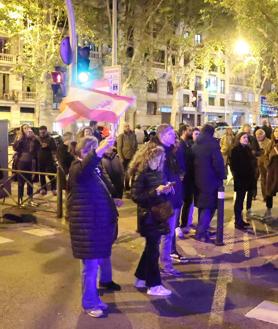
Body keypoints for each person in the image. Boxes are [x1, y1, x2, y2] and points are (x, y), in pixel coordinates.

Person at [68, 135, 121, 318]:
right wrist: (100, 149)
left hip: (94, 225)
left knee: (95, 265)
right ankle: (89, 303)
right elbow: (86, 167)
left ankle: (94, 299)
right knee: (90, 268)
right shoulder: (77, 168)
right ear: (86, 151)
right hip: (86, 226)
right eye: (95, 148)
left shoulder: (93, 168)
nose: (99, 151)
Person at [130, 146, 173, 296]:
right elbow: (135, 196)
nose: (158, 161)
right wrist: (156, 191)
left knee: (151, 248)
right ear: (148, 158)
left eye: (160, 158)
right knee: (153, 250)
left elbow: (159, 191)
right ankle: (154, 285)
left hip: (158, 214)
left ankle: (140, 277)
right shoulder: (142, 173)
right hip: (147, 216)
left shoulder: (158, 172)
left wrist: (166, 190)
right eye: (156, 158)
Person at [150, 124, 185, 275]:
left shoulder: (171, 151)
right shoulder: (158, 152)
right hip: (165, 199)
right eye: (171, 134)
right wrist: (165, 187)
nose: (174, 137)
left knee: (168, 233)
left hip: (173, 196)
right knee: (164, 234)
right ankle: (164, 265)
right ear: (162, 136)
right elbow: (155, 176)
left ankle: (164, 263)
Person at [192, 124, 226, 242]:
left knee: (202, 206)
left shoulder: (195, 144)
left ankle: (202, 230)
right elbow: (218, 163)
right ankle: (201, 233)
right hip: (211, 180)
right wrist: (222, 175)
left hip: (198, 180)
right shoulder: (212, 145)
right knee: (209, 207)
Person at [230, 132, 257, 230]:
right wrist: (237, 175)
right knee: (239, 201)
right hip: (240, 179)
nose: (246, 139)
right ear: (239, 139)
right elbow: (233, 165)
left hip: (248, 179)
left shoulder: (248, 149)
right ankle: (238, 221)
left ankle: (240, 220)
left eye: (247, 137)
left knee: (242, 200)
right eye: (244, 137)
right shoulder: (235, 150)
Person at [13, 124, 40, 205]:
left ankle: (30, 200)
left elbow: (39, 148)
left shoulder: (33, 138)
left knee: (30, 181)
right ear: (22, 130)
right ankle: (20, 200)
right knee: (21, 182)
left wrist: (34, 138)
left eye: (28, 127)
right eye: (25, 128)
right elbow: (15, 148)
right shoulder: (20, 138)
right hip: (21, 162)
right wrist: (19, 139)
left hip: (31, 162)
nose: (27, 129)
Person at [241, 123, 261, 203]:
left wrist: (254, 152)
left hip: (252, 164)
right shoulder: (239, 139)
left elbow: (258, 151)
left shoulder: (253, 139)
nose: (248, 132)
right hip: (243, 164)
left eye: (249, 130)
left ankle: (253, 194)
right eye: (246, 130)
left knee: (253, 180)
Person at [117, 123, 138, 192]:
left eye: (128, 126)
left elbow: (136, 145)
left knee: (132, 172)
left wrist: (136, 154)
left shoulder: (133, 135)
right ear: (123, 128)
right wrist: (121, 158)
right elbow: (119, 147)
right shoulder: (121, 136)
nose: (127, 127)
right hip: (125, 157)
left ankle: (131, 186)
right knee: (125, 173)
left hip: (133, 156)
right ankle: (124, 186)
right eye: (126, 126)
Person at [37, 126, 57, 196]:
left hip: (49, 159)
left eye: (43, 132)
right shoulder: (37, 138)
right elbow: (34, 148)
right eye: (40, 132)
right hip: (40, 159)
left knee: (51, 174)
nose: (42, 134)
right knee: (41, 174)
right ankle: (43, 189)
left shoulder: (51, 139)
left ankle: (54, 188)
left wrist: (48, 146)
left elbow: (55, 148)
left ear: (46, 131)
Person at [265, 127, 278, 218]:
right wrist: (267, 165)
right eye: (276, 131)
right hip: (272, 170)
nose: (277, 133)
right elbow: (265, 156)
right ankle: (268, 209)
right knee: (269, 190)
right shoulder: (270, 143)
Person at [255, 129, 271, 202]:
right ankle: (253, 194)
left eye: (260, 134)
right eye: (257, 135)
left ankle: (265, 196)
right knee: (254, 179)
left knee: (264, 179)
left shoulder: (269, 142)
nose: (258, 136)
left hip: (264, 163)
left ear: (264, 135)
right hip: (255, 163)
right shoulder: (254, 141)